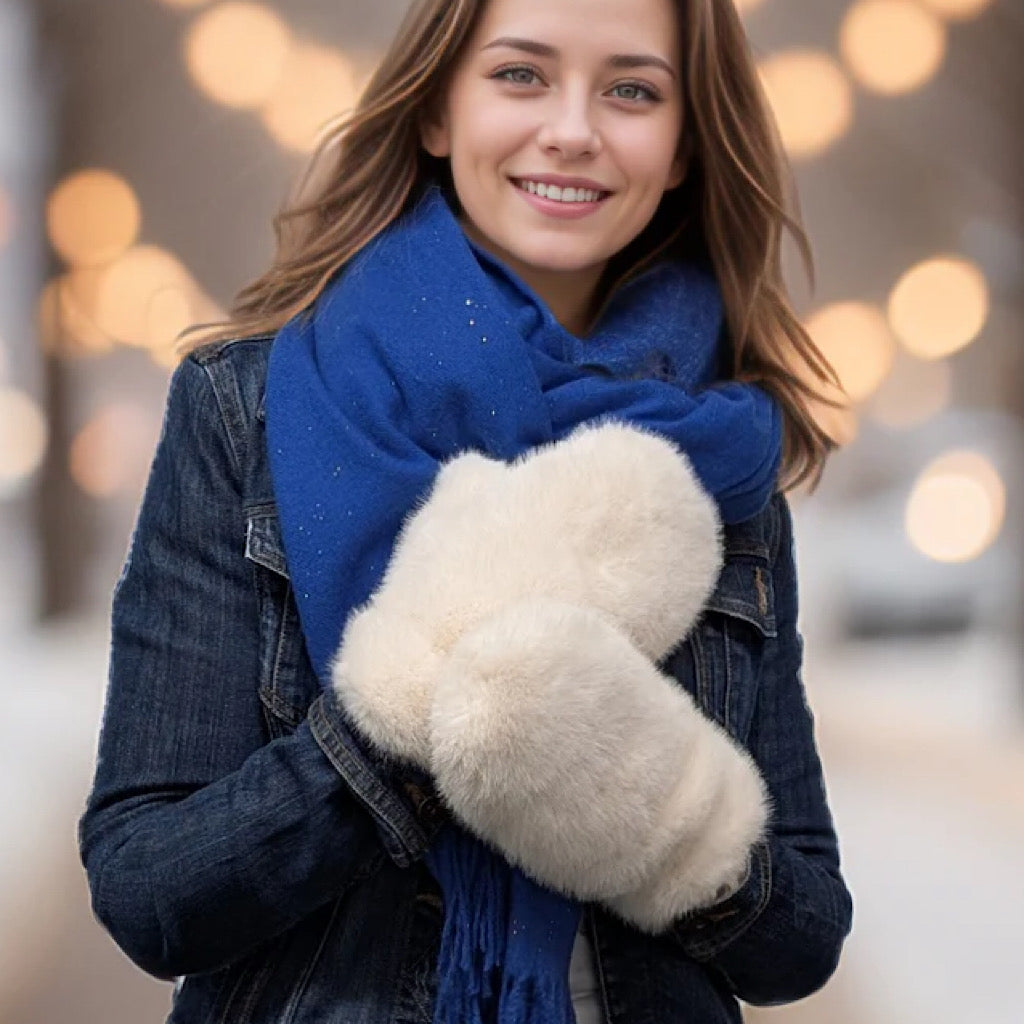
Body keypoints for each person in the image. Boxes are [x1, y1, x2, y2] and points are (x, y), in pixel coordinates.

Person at [77, 0, 854, 1021]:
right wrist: (429, 712)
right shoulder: (245, 407)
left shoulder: (719, 453)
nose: (573, 128)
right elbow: (150, 891)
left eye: (631, 89)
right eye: (520, 75)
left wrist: (650, 802)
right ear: (438, 112)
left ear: (679, 147)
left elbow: (800, 940)